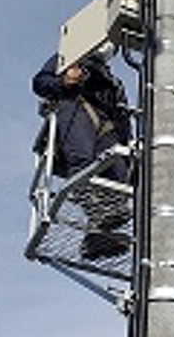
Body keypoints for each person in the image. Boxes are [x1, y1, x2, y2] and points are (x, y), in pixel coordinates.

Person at [32, 46, 132, 258]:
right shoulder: (69, 57)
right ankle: (97, 216)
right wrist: (65, 81)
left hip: (108, 126)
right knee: (82, 162)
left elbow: (123, 116)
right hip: (75, 108)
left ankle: (99, 235)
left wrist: (128, 147)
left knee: (118, 175)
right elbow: (40, 83)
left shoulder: (113, 82)